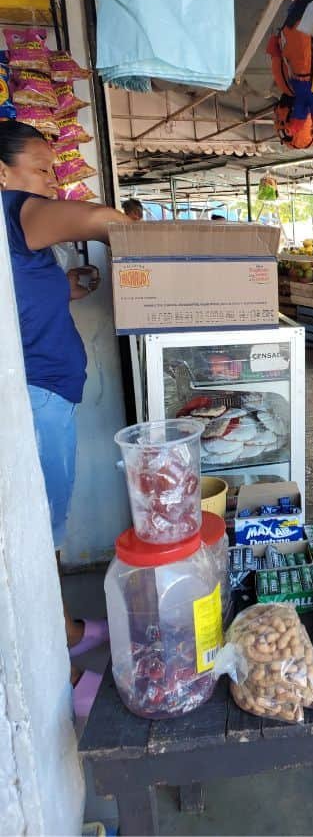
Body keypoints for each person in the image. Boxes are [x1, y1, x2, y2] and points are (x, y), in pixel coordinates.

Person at [0, 121, 127, 716]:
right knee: (41, 538)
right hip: (40, 395)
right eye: (42, 168)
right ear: (4, 173)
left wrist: (69, 285)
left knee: (42, 529)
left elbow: (23, 298)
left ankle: (69, 631)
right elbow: (98, 217)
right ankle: (63, 675)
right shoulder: (17, 207)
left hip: (44, 390)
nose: (50, 182)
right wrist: (130, 229)